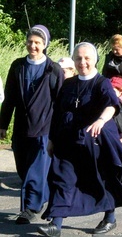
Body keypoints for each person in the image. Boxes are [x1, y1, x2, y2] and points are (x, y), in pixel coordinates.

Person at [37, 42, 122, 237]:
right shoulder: (68, 84)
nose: (83, 62)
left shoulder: (102, 83)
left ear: (95, 60)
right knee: (61, 178)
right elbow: (57, 113)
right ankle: (55, 225)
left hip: (94, 141)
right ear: (73, 61)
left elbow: (112, 105)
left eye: (87, 58)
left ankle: (110, 218)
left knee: (100, 179)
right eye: (78, 58)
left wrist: (100, 120)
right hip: (67, 141)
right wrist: (51, 139)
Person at [0, 25, 64, 225]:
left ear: (45, 45)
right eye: (30, 41)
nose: (33, 46)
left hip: (44, 127)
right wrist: (3, 124)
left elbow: (61, 102)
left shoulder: (53, 69)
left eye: (38, 42)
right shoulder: (18, 66)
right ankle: (41, 196)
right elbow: (9, 98)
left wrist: (60, 130)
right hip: (21, 127)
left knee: (34, 171)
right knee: (23, 168)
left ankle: (29, 208)